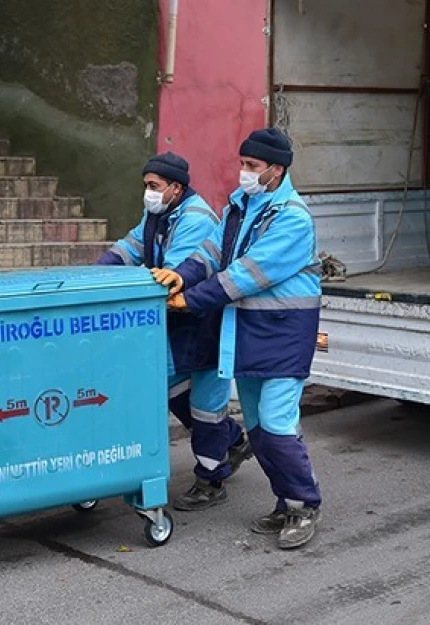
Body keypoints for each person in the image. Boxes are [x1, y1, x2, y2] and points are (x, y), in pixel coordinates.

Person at [152, 129, 323, 549]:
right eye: (242, 163)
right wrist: (182, 274)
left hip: (284, 334)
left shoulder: (292, 218)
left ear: (276, 170)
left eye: (252, 166)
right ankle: (284, 502)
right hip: (246, 333)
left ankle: (304, 504)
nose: (243, 172)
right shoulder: (241, 205)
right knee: (261, 429)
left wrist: (191, 300)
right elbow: (212, 253)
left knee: (279, 427)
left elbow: (247, 273)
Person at [97, 152, 252, 511]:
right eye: (146, 186)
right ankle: (232, 440)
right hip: (180, 322)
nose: (147, 193)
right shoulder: (160, 212)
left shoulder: (195, 219)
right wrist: (95, 274)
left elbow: (172, 275)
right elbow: (132, 246)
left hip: (205, 321)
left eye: (154, 187)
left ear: (175, 188)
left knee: (206, 406)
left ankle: (211, 479)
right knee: (170, 388)